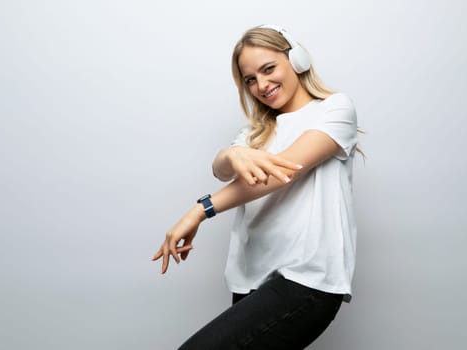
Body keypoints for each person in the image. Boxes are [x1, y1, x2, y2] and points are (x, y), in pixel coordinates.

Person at [152, 24, 363, 350]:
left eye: (269, 69)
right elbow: (221, 170)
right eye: (250, 79)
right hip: (250, 280)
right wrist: (233, 153)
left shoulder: (334, 109)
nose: (262, 85)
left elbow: (281, 172)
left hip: (305, 280)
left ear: (297, 60)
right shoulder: (255, 133)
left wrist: (200, 210)